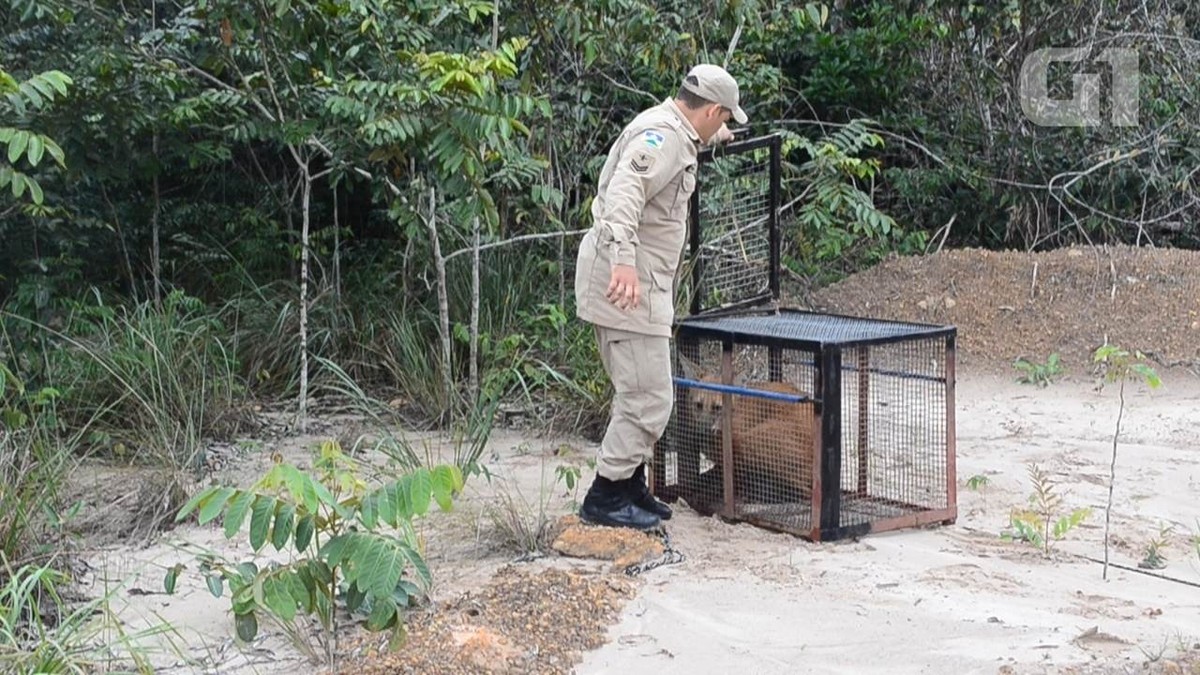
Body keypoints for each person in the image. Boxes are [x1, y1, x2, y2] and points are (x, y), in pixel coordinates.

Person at [573, 64, 748, 530]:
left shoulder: (675, 130)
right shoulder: (664, 138)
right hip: (627, 283)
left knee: (644, 392)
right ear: (711, 109)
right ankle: (606, 495)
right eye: (724, 118)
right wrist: (625, 260)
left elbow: (673, 156)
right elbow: (626, 194)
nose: (724, 126)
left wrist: (714, 138)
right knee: (648, 397)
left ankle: (629, 487)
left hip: (639, 284)